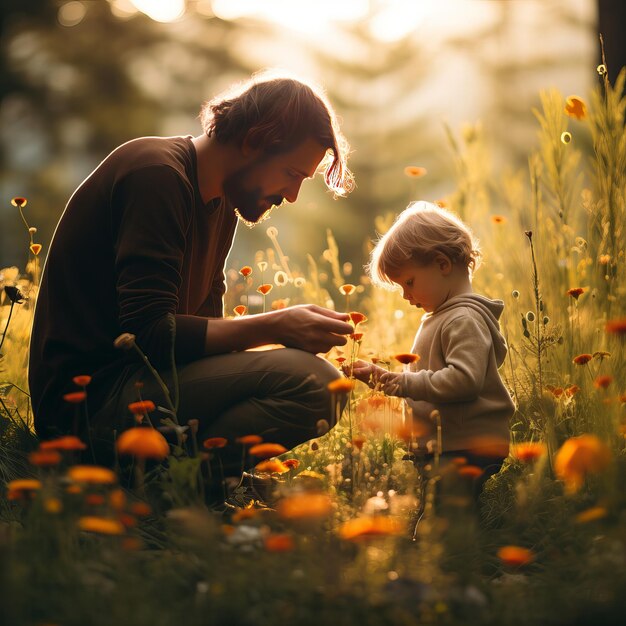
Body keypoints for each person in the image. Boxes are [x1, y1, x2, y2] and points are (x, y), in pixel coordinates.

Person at [28, 71, 355, 470]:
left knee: (321, 381)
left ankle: (187, 483)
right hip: (87, 407)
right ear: (253, 141)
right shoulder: (157, 175)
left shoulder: (221, 202)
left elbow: (202, 331)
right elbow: (146, 334)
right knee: (314, 384)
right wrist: (276, 325)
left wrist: (284, 337)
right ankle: (185, 491)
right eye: (291, 174)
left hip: (143, 389)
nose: (292, 195)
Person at [348, 201, 515, 498]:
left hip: (467, 445)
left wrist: (395, 381)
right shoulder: (444, 316)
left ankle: (462, 544)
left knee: (444, 524)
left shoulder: (463, 319)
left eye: (409, 282)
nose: (405, 295)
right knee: (439, 515)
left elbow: (463, 381)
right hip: (448, 443)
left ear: (442, 264)